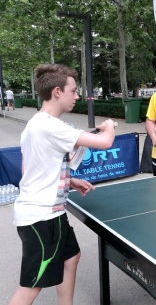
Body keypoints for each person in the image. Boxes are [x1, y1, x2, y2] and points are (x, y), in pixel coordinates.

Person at [8, 64, 116, 305]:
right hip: (41, 218)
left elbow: (31, 169)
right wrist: (109, 126)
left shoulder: (36, 124)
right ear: (58, 91)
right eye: (74, 90)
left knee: (71, 257)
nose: (77, 96)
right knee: (31, 286)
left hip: (52, 213)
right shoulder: (51, 126)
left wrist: (70, 182)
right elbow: (105, 142)